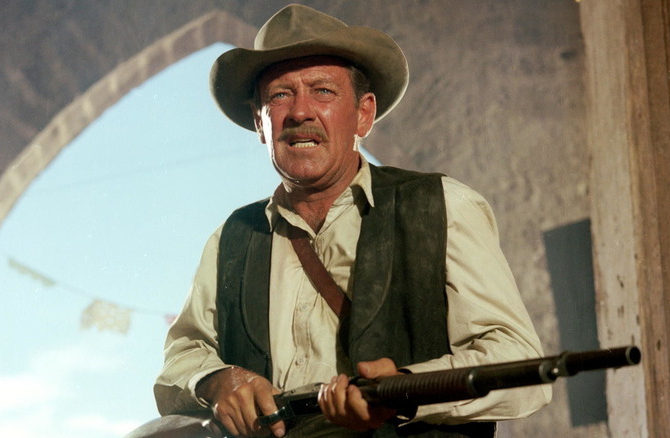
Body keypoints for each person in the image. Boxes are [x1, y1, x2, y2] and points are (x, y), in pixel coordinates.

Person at [153, 4, 551, 437]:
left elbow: (517, 362)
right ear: (260, 122)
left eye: (322, 91)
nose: (300, 112)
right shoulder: (232, 239)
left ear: (364, 113)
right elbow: (182, 356)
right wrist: (217, 380)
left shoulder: (442, 206)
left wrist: (406, 388)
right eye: (280, 95)